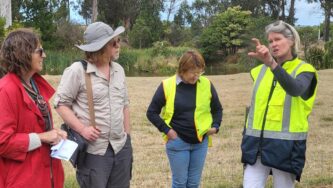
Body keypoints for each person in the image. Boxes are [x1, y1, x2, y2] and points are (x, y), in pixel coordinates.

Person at [54, 21, 132, 188]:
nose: (118, 45)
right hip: (94, 152)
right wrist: (82, 129)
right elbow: (60, 104)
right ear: (102, 47)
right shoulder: (77, 70)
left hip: (121, 148)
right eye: (114, 42)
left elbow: (125, 105)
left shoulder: (119, 70)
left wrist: (128, 138)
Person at [241, 20, 318, 188]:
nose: (273, 44)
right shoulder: (259, 72)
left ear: (291, 41)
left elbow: (295, 89)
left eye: (278, 39)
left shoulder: (305, 71)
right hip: (256, 147)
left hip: (286, 148)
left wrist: (272, 64)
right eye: (270, 41)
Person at [0, 29, 67, 187]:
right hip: (22, 179)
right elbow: (3, 143)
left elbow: (35, 126)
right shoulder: (6, 90)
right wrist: (43, 137)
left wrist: (55, 134)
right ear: (23, 53)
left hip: (45, 174)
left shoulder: (33, 85)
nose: (44, 55)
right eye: (40, 51)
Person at [146, 50, 223, 188]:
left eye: (199, 72)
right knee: (180, 183)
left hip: (201, 143)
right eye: (193, 72)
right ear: (182, 69)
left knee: (194, 184)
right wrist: (168, 131)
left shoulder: (207, 84)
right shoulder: (167, 85)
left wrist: (216, 126)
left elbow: (217, 109)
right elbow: (151, 112)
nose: (196, 76)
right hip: (177, 142)